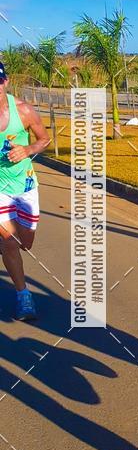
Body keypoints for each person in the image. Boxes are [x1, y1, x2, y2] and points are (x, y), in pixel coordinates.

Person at [0, 60, 50, 319]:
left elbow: (45, 139)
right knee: (8, 242)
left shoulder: (24, 111)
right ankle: (24, 296)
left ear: (5, 82)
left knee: (25, 243)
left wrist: (28, 150)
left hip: (25, 185)